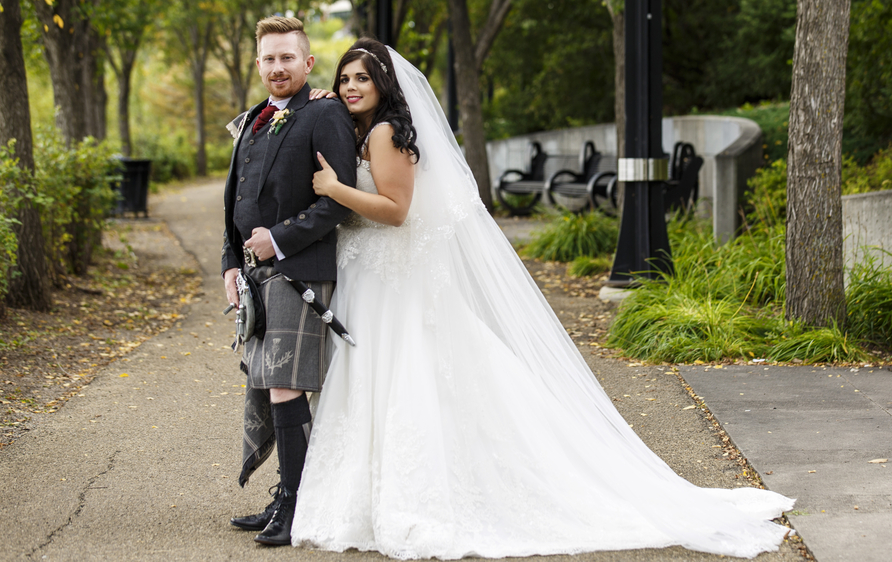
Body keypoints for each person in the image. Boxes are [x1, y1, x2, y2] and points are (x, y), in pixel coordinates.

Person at [291, 38, 794, 559]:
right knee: (381, 382)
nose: (351, 87)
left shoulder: (388, 131)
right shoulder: (363, 128)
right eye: (345, 78)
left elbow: (396, 210)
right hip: (377, 279)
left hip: (392, 282)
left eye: (362, 79)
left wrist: (333, 188)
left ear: (384, 85)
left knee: (403, 379)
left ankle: (412, 500)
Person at [220, 16, 356, 546]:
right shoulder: (254, 117)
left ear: (308, 62)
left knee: (284, 381)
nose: (278, 67)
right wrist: (231, 262)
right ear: (258, 65)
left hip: (300, 268)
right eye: (269, 59)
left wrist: (276, 240)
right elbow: (233, 199)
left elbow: (337, 204)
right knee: (268, 382)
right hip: (256, 274)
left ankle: (299, 506)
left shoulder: (325, 115)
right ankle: (285, 496)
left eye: (287, 58)